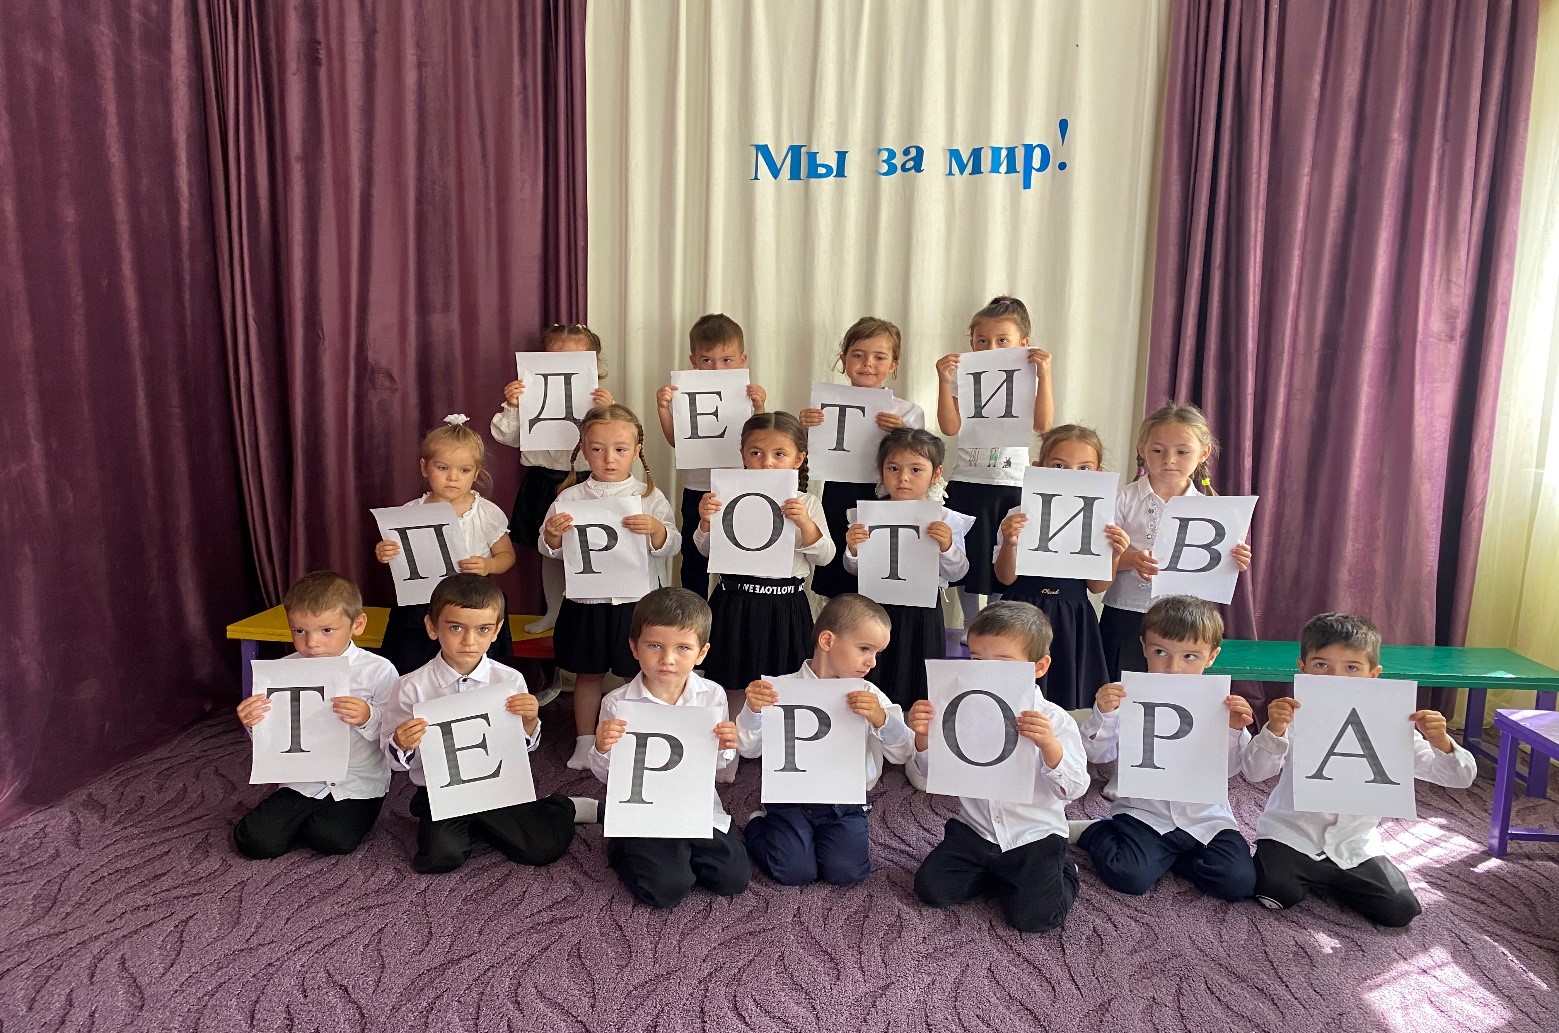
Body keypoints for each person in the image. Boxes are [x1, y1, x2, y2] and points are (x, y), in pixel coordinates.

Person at [1244, 613, 1477, 927]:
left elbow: (1461, 778)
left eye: (1352, 668)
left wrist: (1442, 742)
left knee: (1400, 910)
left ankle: (1334, 878)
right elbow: (1255, 773)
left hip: (1354, 843)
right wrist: (1274, 730)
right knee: (1274, 891)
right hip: (1292, 834)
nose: (1335, 677)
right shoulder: (1293, 719)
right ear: (1303, 668)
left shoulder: (1393, 725)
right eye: (1321, 665)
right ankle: (1308, 876)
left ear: (1373, 674)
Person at [906, 601, 1086, 933]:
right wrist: (922, 738)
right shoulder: (959, 711)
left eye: (1002, 662)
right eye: (977, 660)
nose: (985, 672)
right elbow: (928, 775)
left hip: (1033, 834)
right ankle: (999, 875)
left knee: (1035, 918)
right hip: (977, 830)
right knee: (931, 889)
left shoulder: (1055, 721)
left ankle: (1065, 870)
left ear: (1039, 667)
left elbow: (1074, 789)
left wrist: (1049, 746)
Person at [383, 574, 579, 874]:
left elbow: (524, 748)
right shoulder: (410, 687)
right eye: (455, 627)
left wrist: (529, 722)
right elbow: (394, 761)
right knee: (440, 857)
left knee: (541, 848)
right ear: (432, 627)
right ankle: (481, 826)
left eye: (483, 629)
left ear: (497, 631)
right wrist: (401, 742)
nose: (469, 640)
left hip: (496, 787)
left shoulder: (509, 680)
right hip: (442, 793)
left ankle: (562, 805)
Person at [1073, 595, 1258, 901]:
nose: (1173, 668)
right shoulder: (1128, 697)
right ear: (1144, 646)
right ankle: (1096, 831)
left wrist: (1234, 730)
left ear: (1211, 656)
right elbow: (1096, 755)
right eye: (1161, 652)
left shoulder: (1221, 705)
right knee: (1128, 875)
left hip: (1205, 817)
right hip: (1144, 813)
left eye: (1190, 656)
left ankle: (1166, 858)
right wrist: (1105, 715)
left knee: (1237, 882)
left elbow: (1232, 770)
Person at [588, 587, 750, 907]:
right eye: (654, 646)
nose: (667, 659)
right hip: (642, 811)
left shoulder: (712, 696)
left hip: (697, 806)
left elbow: (717, 766)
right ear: (634, 647)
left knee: (732, 878)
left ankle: (678, 851)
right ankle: (622, 843)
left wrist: (726, 746)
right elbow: (608, 777)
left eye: (683, 648)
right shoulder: (618, 703)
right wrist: (603, 748)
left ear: (701, 653)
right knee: (666, 889)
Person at [736, 594, 914, 886]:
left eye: (877, 653)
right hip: (790, 798)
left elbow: (904, 752)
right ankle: (758, 823)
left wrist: (882, 719)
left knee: (847, 872)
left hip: (845, 801)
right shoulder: (781, 689)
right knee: (793, 871)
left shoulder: (870, 695)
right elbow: (748, 748)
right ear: (827, 641)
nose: (871, 662)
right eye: (864, 649)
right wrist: (753, 710)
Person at [538, 403, 679, 770]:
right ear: (584, 450)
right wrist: (552, 535)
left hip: (637, 602)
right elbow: (550, 550)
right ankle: (585, 739)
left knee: (639, 672)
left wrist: (656, 530)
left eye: (620, 449)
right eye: (597, 449)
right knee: (588, 673)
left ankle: (640, 735)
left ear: (637, 451)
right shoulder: (569, 497)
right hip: (587, 601)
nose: (608, 458)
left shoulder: (649, 497)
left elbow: (672, 544)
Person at [232, 571, 399, 859]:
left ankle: (323, 819)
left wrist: (368, 716)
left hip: (357, 781)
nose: (312, 643)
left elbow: (395, 732)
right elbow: (275, 735)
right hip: (302, 778)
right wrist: (253, 723)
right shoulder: (284, 670)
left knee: (331, 839)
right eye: (299, 631)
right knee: (254, 841)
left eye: (326, 630)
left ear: (357, 624)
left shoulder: (378, 671)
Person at [1098, 404, 1251, 680]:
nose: (1169, 459)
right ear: (1142, 448)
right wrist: (1131, 560)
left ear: (1203, 453)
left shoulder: (1215, 510)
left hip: (1186, 621)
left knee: (1175, 692)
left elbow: (1218, 568)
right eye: (1158, 450)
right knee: (1122, 690)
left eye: (1182, 452)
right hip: (1127, 614)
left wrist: (1235, 560)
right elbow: (1095, 562)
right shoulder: (1120, 500)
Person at [934, 296, 1055, 637]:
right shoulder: (964, 377)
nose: (992, 348)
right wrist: (944, 380)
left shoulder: (1029, 376)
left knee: (1003, 554)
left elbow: (1043, 425)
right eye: (982, 341)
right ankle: (971, 622)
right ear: (971, 343)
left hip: (1011, 482)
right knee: (968, 555)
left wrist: (1045, 375)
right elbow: (950, 428)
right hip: (968, 480)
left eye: (1003, 340)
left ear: (1023, 343)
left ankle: (996, 624)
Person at [694, 412, 835, 695]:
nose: (767, 462)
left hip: (785, 606)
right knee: (729, 684)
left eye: (779, 454)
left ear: (798, 459)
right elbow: (707, 551)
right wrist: (706, 522)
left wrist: (805, 523)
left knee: (781, 687)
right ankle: (731, 725)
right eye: (756, 453)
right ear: (743, 455)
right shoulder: (725, 497)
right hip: (733, 603)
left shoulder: (807, 502)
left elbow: (825, 557)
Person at [993, 425, 1128, 711]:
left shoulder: (1101, 520)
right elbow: (1005, 577)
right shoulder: (1018, 514)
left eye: (1084, 468)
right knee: (1015, 695)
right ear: (1037, 468)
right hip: (1022, 611)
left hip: (1071, 617)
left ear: (1099, 473)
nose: (1071, 475)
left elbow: (1097, 586)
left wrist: (1115, 555)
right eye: (1059, 466)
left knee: (1065, 698)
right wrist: (1010, 543)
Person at [490, 322, 613, 634]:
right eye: (555, 357)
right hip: (543, 480)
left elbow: (616, 441)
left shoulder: (598, 399)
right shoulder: (531, 396)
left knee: (590, 550)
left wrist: (607, 411)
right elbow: (506, 437)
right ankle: (554, 614)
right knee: (551, 552)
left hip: (588, 482)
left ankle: (588, 619)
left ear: (592, 363)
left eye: (576, 358)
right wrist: (514, 406)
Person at [840, 428, 973, 710]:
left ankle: (912, 733)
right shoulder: (866, 515)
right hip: (876, 611)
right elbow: (854, 570)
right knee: (876, 676)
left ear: (936, 473)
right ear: (881, 471)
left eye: (916, 469)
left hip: (923, 613)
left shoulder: (945, 518)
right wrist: (853, 549)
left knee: (918, 681)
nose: (903, 478)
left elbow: (958, 573)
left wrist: (947, 546)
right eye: (893, 468)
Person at [375, 415, 516, 674]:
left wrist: (488, 565)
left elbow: (507, 555)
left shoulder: (485, 512)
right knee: (413, 665)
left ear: (476, 472)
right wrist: (386, 552)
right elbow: (400, 557)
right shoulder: (410, 511)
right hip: (420, 605)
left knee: (471, 666)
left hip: (472, 604)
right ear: (424, 467)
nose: (453, 478)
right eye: (442, 468)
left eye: (464, 470)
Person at [800, 317, 926, 598]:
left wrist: (903, 432)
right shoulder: (825, 405)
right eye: (858, 355)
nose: (868, 363)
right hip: (839, 491)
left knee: (882, 570)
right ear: (843, 359)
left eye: (879, 357)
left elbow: (922, 458)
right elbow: (806, 455)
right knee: (839, 577)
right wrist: (806, 427)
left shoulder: (907, 411)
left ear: (893, 365)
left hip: (888, 496)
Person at [655, 314, 768, 598]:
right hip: (698, 488)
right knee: (694, 558)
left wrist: (760, 407)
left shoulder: (745, 393)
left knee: (736, 556)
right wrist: (664, 409)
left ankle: (731, 612)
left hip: (738, 487)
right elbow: (676, 441)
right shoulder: (686, 393)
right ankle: (692, 613)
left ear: (742, 360)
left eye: (726, 360)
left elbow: (761, 440)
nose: (717, 368)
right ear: (693, 361)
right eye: (707, 360)